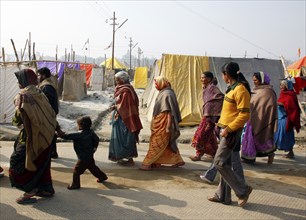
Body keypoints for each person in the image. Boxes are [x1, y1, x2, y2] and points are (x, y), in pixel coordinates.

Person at [207, 62, 252, 207]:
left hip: (230, 132)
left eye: (223, 74)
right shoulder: (231, 88)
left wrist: (229, 128)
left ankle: (243, 190)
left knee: (219, 162)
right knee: (224, 163)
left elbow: (244, 115)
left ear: (227, 75)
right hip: (225, 129)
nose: (222, 77)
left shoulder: (241, 90)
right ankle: (223, 196)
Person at [9, 69, 57, 204]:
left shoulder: (22, 96)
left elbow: (18, 122)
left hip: (31, 137)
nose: (18, 83)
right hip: (47, 134)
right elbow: (51, 113)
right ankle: (46, 189)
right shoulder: (40, 93)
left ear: (23, 81)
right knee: (43, 163)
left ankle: (29, 191)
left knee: (18, 163)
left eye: (19, 80)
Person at [140, 76, 185, 170]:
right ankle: (176, 160)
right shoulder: (164, 92)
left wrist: (168, 127)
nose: (155, 86)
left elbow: (169, 112)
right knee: (166, 143)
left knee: (156, 143)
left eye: (157, 84)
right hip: (159, 123)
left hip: (163, 124)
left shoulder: (167, 94)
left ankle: (147, 163)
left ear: (162, 83)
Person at [58, 116, 108, 190]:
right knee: (93, 168)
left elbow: (66, 136)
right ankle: (102, 177)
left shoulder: (78, 135)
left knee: (76, 171)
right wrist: (94, 148)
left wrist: (58, 132)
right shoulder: (91, 132)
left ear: (81, 126)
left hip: (82, 158)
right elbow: (96, 139)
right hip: (89, 155)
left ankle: (75, 184)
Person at [241, 71, 278, 164]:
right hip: (252, 118)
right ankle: (249, 157)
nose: (254, 82)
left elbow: (270, 107)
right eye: (253, 80)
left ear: (261, 80)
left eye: (256, 80)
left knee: (265, 138)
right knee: (251, 138)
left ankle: (270, 156)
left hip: (264, 119)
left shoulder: (269, 91)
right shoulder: (254, 90)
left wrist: (264, 115)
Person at [108, 71, 143, 166]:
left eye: (117, 79)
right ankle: (123, 156)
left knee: (125, 138)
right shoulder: (123, 89)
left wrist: (116, 107)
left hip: (125, 119)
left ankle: (128, 158)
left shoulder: (126, 91)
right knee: (123, 138)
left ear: (122, 80)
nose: (116, 81)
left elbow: (125, 106)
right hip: (121, 117)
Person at [189, 71, 224, 161]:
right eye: (201, 78)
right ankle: (214, 153)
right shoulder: (206, 88)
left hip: (211, 116)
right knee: (209, 136)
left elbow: (220, 97)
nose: (201, 79)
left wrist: (212, 109)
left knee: (201, 135)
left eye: (203, 77)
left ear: (209, 79)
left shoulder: (213, 88)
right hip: (207, 115)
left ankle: (198, 155)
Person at [37, 67, 61, 159]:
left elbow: (47, 102)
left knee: (48, 133)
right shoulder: (47, 85)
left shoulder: (46, 86)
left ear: (43, 75)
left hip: (48, 114)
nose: (38, 77)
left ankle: (51, 152)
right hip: (49, 113)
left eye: (39, 75)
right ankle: (52, 152)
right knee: (49, 132)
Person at [274, 79, 301, 159]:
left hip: (286, 119)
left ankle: (290, 152)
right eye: (280, 85)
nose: (281, 87)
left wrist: (280, 104)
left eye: (283, 85)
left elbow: (292, 107)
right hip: (279, 118)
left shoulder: (291, 95)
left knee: (286, 136)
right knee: (276, 136)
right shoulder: (282, 94)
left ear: (287, 86)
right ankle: (272, 151)